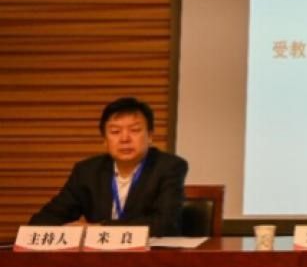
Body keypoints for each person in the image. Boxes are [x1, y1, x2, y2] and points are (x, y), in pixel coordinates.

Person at [29, 97, 188, 236]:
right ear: (104, 140)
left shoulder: (169, 167)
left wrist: (99, 229)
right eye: (115, 131)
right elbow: (44, 220)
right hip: (98, 257)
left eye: (135, 130)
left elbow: (166, 225)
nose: (124, 138)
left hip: (148, 257)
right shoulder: (87, 171)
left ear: (150, 136)